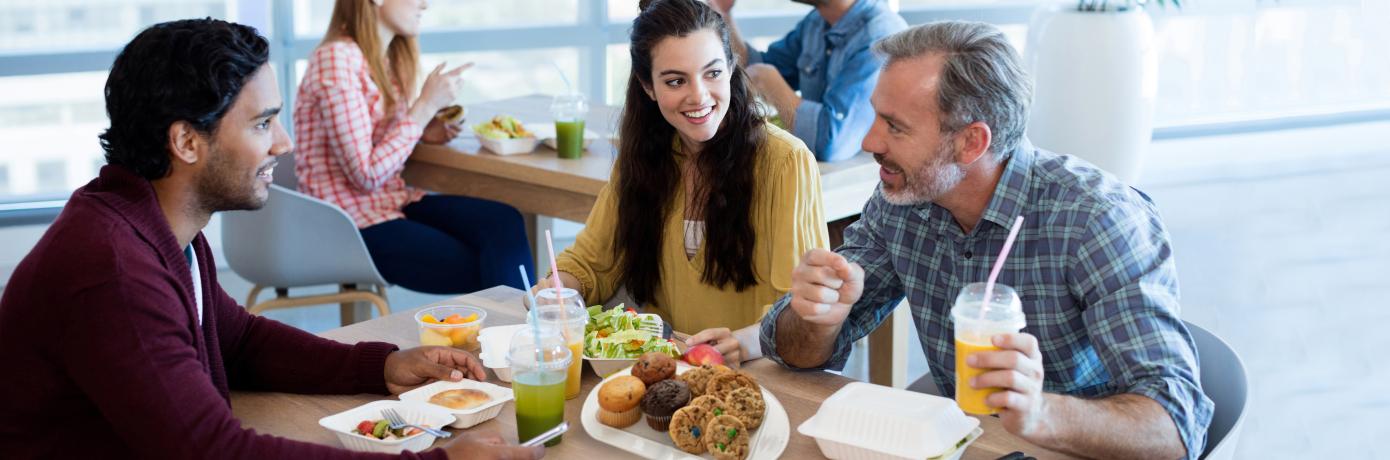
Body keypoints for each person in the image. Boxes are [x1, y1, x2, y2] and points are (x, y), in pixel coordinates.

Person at [0, 19, 541, 460]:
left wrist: (381, 365)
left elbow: (239, 342)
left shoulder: (155, 228)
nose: (283, 144)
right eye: (262, 124)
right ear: (186, 141)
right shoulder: (112, 270)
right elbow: (212, 450)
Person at [760, 21, 1213, 459]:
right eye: (876, 115)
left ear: (971, 142)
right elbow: (796, 356)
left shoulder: (1099, 220)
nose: (869, 139)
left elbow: (1175, 427)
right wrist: (818, 318)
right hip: (971, 441)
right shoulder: (903, 198)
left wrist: (1041, 413)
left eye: (894, 125)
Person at [538, 0, 829, 365]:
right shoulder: (642, 158)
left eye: (712, 73)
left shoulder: (786, 161)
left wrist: (745, 342)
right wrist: (558, 291)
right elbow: (592, 262)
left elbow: (802, 308)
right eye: (676, 81)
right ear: (648, 86)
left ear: (731, 68)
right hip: (667, 373)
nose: (699, 96)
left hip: (760, 376)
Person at [295, 0, 533, 294]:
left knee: (504, 221)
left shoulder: (381, 59)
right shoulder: (336, 59)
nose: (425, 4)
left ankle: (518, 333)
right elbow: (365, 175)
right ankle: (521, 334)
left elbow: (369, 141)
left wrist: (422, 131)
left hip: (391, 203)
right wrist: (425, 106)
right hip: (349, 224)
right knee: (491, 266)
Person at [709, 0, 905, 162]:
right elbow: (753, 70)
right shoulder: (816, 22)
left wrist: (771, 82)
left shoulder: (880, 36)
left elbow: (830, 143)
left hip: (862, 189)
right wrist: (723, 14)